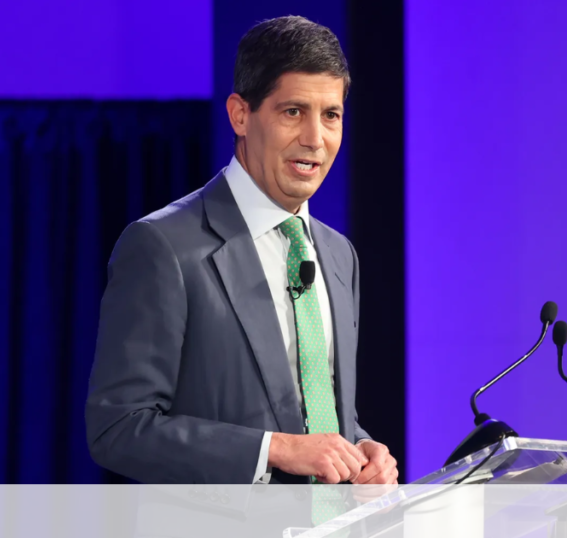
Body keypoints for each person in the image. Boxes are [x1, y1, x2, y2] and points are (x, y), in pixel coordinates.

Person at [86, 15, 397, 487]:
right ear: (240, 115)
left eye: (330, 115)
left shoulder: (338, 255)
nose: (316, 138)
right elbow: (118, 427)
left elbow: (315, 412)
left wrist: (359, 450)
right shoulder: (163, 246)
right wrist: (274, 448)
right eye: (293, 111)